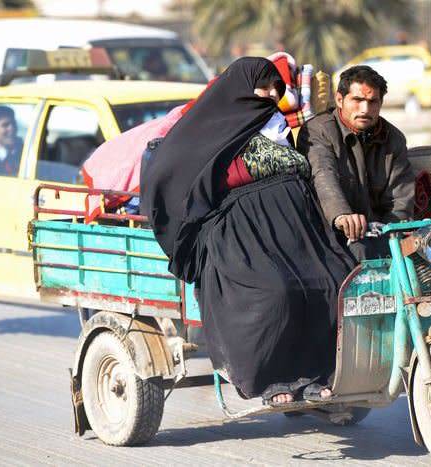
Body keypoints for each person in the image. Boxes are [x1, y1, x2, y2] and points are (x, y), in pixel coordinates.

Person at [140, 57, 355, 405]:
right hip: (243, 233)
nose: (271, 94)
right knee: (276, 293)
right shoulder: (210, 125)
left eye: (277, 88)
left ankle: (318, 374)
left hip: (295, 228)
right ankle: (270, 379)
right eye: (264, 86)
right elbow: (166, 173)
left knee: (333, 284)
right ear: (241, 88)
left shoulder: (277, 125)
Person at [297, 65, 415, 261]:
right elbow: (323, 175)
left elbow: (400, 200)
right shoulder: (318, 130)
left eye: (372, 102)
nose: (365, 110)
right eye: (357, 100)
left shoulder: (393, 139)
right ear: (339, 100)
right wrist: (342, 215)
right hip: (329, 232)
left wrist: (390, 236)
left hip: (380, 232)